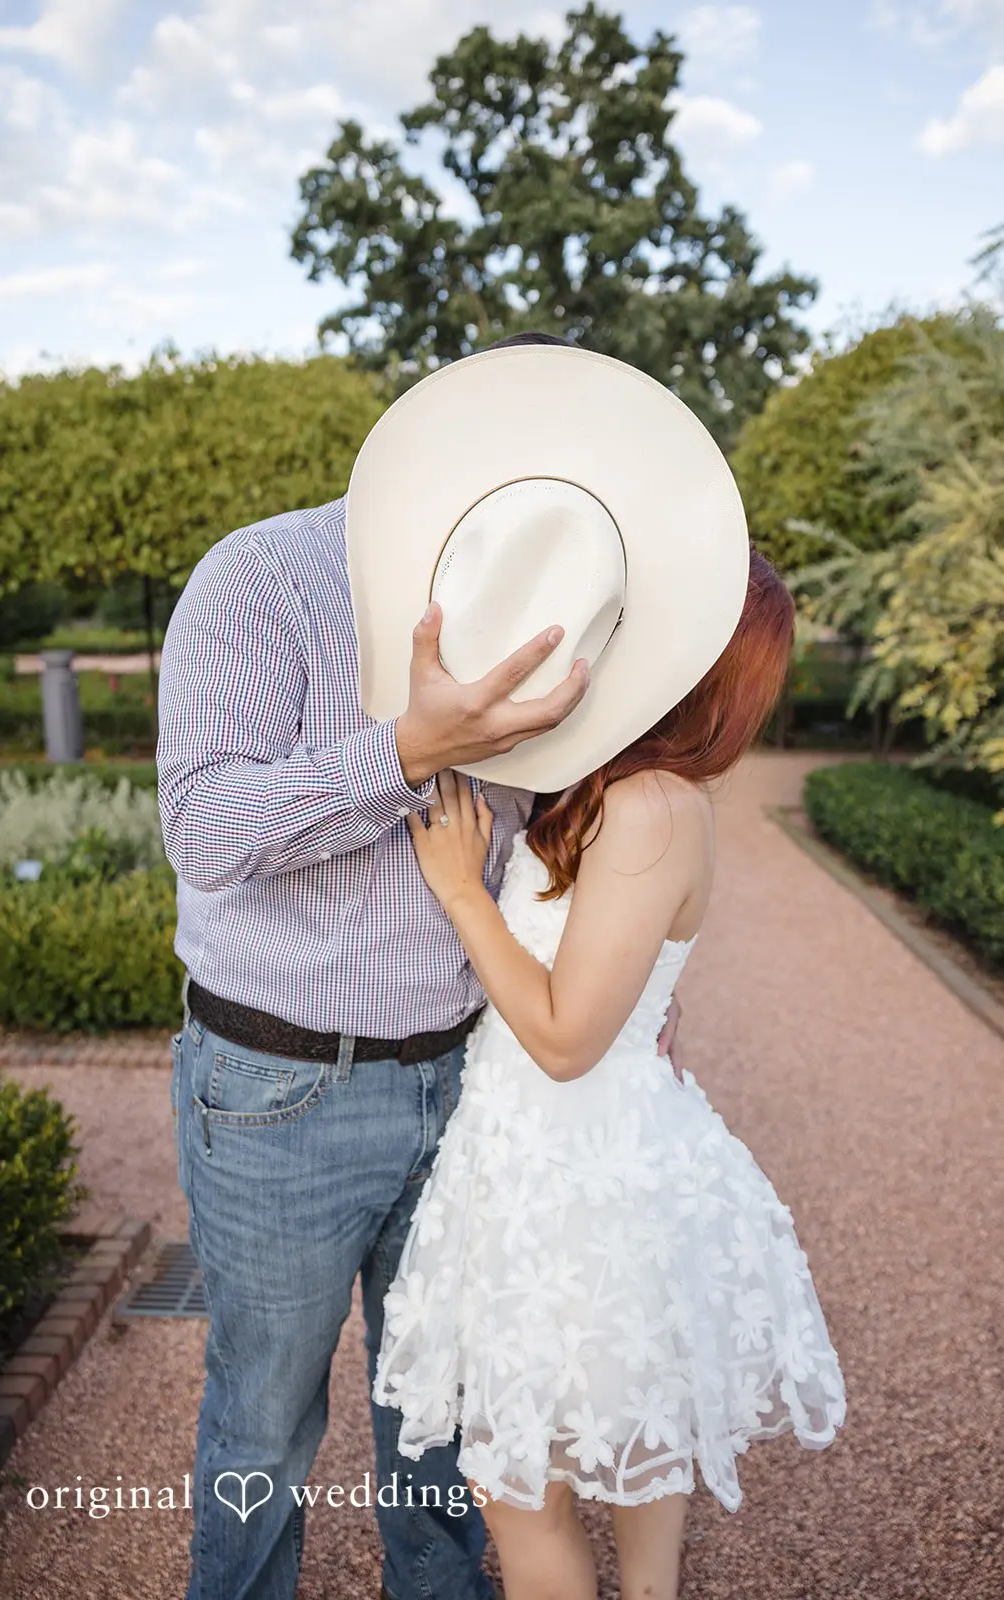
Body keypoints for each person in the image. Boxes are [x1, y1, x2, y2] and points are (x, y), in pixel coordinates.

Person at [157, 331, 684, 1600]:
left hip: (475, 1087)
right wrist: (402, 747)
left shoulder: (562, 592)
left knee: (443, 1426)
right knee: (264, 1424)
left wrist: (646, 1019)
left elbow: (582, 850)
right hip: (281, 1085)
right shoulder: (263, 581)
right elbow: (207, 831)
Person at [372, 549, 847, 1600]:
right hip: (563, 1152)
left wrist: (462, 893)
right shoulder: (619, 789)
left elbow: (561, 1035)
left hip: (574, 1170)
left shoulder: (648, 807)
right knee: (635, 1463)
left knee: (521, 1489)